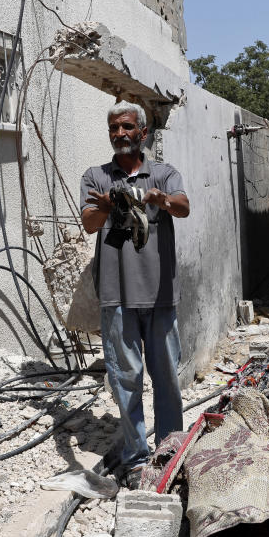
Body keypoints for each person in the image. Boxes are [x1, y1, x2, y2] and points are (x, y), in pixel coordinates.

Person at [79, 100, 191, 488]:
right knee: (125, 380)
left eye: (127, 127)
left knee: (167, 379)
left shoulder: (164, 173)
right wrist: (110, 202)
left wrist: (159, 199)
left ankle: (171, 450)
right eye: (114, 128)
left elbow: (183, 207)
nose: (120, 134)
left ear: (143, 133)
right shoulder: (96, 176)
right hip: (116, 296)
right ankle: (137, 457)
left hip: (160, 295)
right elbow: (90, 223)